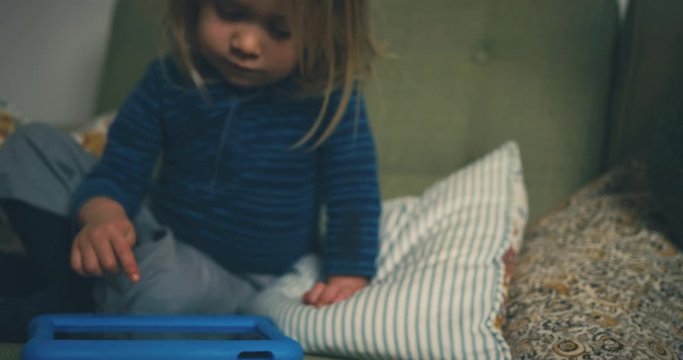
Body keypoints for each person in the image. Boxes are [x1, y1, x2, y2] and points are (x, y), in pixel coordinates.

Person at [0, 0, 381, 339]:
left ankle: (65, 298)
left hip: (231, 277)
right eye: (229, 13)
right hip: (150, 236)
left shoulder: (330, 100)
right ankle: (74, 288)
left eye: (280, 30)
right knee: (30, 145)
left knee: (164, 292)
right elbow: (120, 170)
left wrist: (347, 277)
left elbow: (354, 196)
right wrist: (101, 217)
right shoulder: (168, 79)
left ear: (325, 38)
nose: (246, 44)